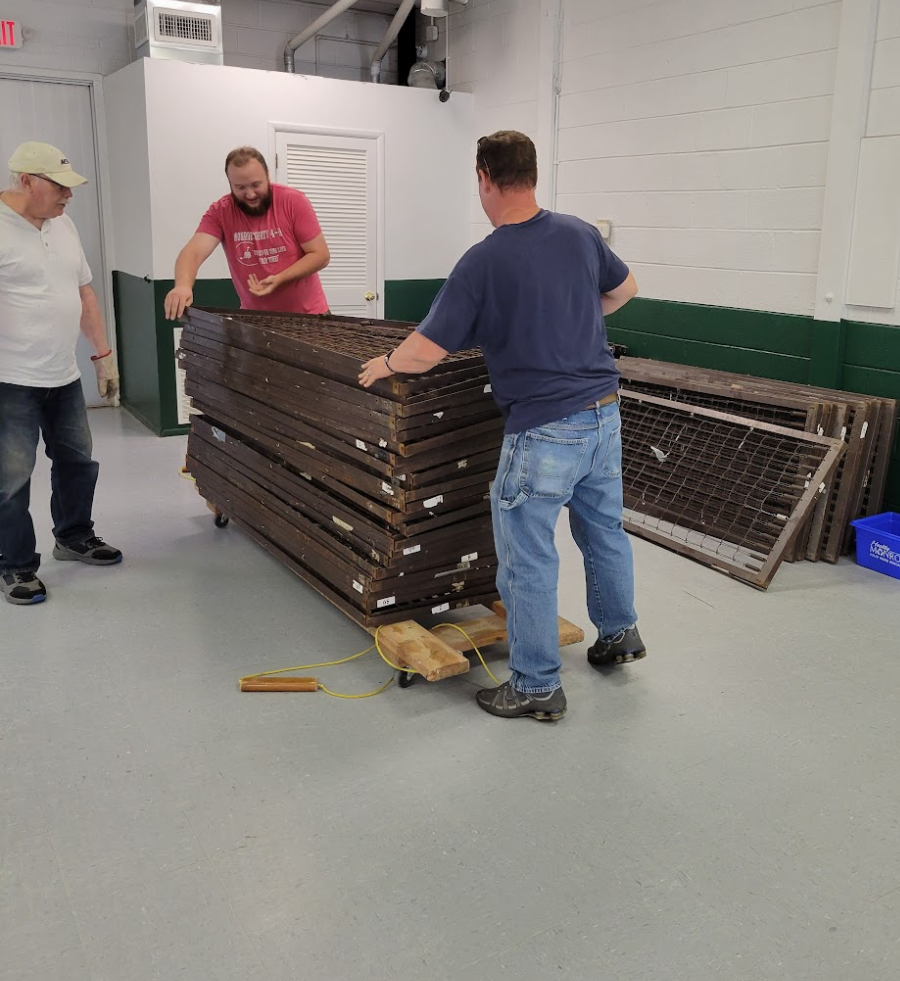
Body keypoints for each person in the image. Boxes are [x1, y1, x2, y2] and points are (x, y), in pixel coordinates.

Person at [359, 130, 643, 721]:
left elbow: (424, 351)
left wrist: (382, 365)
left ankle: (537, 685)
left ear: (484, 177)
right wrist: (573, 319)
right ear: (532, 175)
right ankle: (619, 635)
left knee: (528, 557)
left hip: (542, 429)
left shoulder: (484, 260)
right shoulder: (581, 234)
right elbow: (625, 290)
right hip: (604, 416)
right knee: (605, 532)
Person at [0, 141, 122, 606]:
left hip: (63, 374)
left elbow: (84, 293)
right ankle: (14, 565)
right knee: (11, 477)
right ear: (26, 181)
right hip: (10, 379)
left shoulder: (63, 224)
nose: (68, 196)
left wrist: (102, 356)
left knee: (77, 463)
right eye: (59, 186)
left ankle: (73, 537)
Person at [164, 146, 331, 320]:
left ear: (267, 176)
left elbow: (320, 255)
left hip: (309, 317)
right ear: (230, 184)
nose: (250, 194)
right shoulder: (221, 212)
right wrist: (183, 286)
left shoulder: (293, 201)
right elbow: (193, 252)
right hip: (255, 320)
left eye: (256, 185)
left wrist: (280, 278)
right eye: (240, 187)